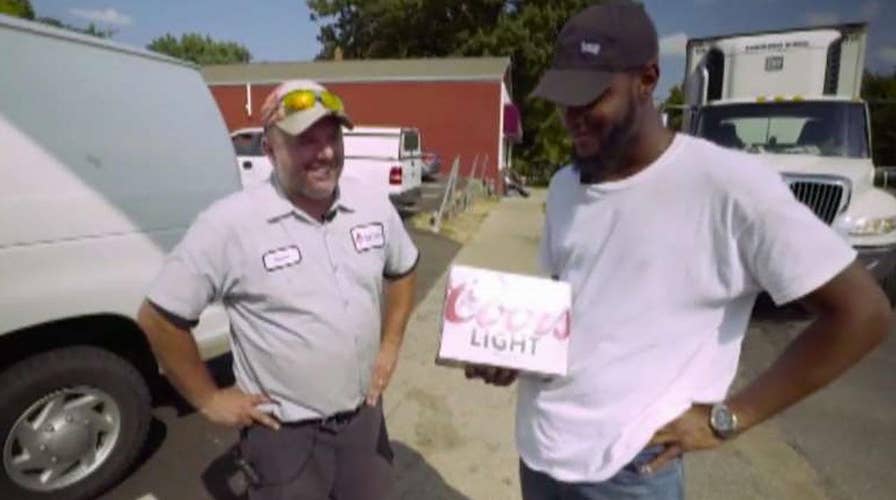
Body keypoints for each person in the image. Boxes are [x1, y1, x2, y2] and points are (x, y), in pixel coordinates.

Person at [465, 2, 891, 499]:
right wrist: (513, 350)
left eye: (591, 98)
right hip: (540, 451)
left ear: (647, 80)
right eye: (564, 100)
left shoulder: (730, 186)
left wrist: (729, 418)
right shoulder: (565, 185)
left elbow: (864, 315)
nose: (571, 118)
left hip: (628, 470)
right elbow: (568, 301)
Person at [137, 79, 419, 499]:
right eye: (306, 140)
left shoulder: (372, 205)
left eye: (332, 136)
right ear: (269, 151)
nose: (325, 152)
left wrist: (390, 344)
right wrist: (210, 400)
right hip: (285, 438)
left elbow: (403, 268)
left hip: (364, 419)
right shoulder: (229, 225)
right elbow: (158, 318)